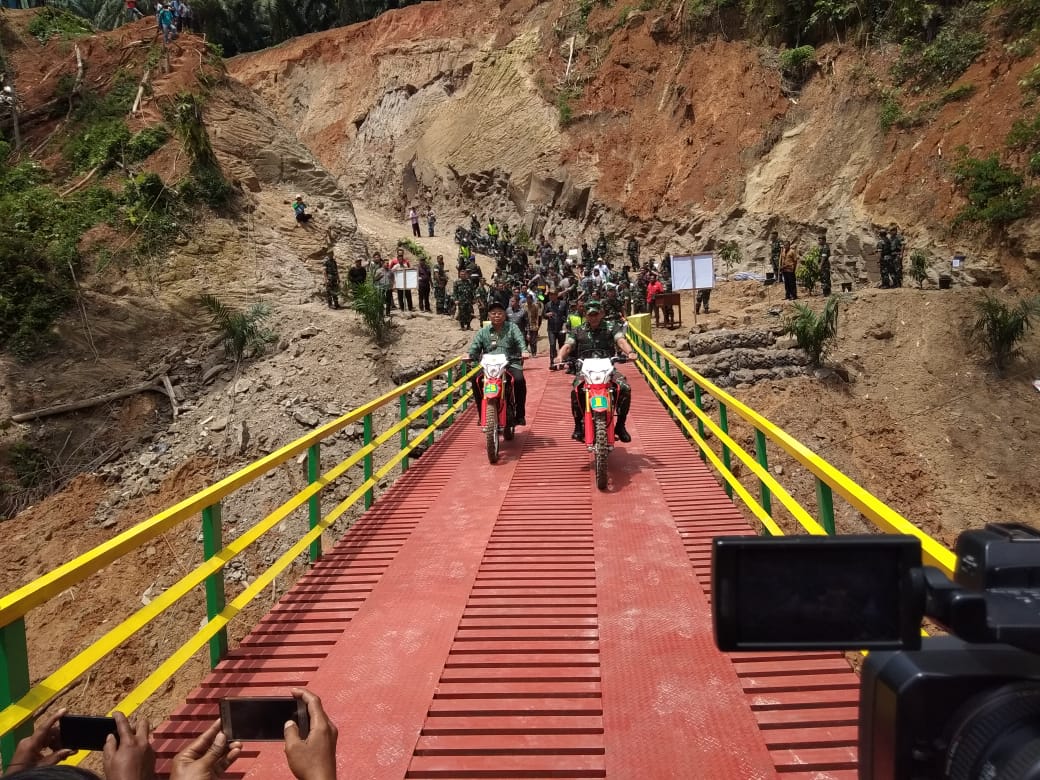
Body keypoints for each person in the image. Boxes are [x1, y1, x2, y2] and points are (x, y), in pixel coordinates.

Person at [555, 299, 637, 443]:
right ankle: (578, 426)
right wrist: (560, 356)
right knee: (576, 391)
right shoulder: (577, 330)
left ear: (602, 314)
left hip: (608, 368)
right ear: (585, 315)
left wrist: (630, 352)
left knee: (625, 388)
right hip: (585, 370)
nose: (593, 317)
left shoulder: (612, 327)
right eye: (590, 314)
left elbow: (620, 340)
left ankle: (621, 426)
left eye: (596, 314)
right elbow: (568, 345)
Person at [466, 300, 530, 426]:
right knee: (475, 380)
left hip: (510, 362)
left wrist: (524, 351)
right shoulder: (483, 331)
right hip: (489, 365)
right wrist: (469, 355)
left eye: (500, 313)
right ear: (489, 316)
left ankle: (520, 415)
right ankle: (481, 414)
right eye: (493, 313)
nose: (496, 316)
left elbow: (520, 340)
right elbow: (475, 347)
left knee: (519, 380)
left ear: (504, 315)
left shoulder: (512, 328)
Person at [543, 289, 568, 364]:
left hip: (561, 328)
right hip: (551, 328)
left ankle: (561, 361)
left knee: (561, 345)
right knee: (552, 344)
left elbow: (567, 315)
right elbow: (543, 315)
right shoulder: (548, 304)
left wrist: (565, 324)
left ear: (556, 295)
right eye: (550, 295)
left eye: (553, 294)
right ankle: (552, 362)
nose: (551, 296)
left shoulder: (563, 303)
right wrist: (546, 315)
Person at [889, 224, 904, 288]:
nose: (890, 232)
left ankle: (899, 284)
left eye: (891, 230)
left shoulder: (899, 237)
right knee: (891, 269)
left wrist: (901, 254)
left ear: (895, 231)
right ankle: (894, 283)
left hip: (896, 254)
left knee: (897, 269)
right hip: (891, 255)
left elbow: (903, 245)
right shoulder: (890, 238)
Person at [817, 232, 832, 296]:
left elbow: (824, 256)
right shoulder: (823, 246)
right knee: (824, 278)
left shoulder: (825, 247)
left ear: (823, 240)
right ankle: (826, 293)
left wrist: (820, 265)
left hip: (824, 265)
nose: (819, 241)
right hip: (824, 265)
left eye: (820, 240)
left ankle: (826, 293)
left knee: (825, 278)